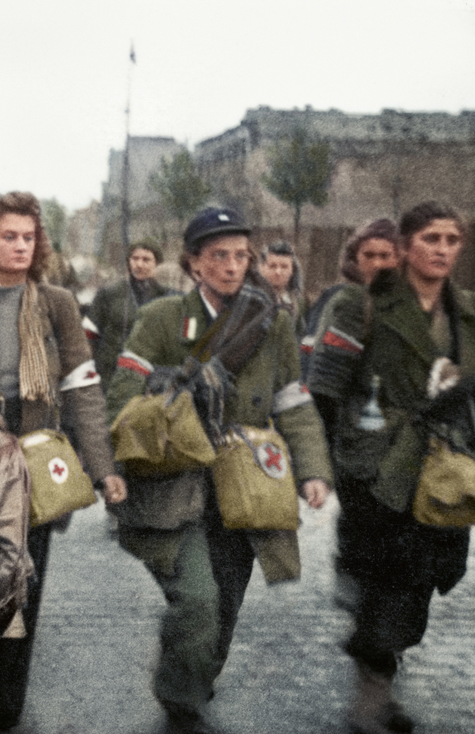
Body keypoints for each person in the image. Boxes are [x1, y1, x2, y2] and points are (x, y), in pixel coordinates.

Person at [104, 206, 332, 734]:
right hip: (173, 482)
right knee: (198, 601)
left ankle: (194, 672)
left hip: (242, 486)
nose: (232, 266)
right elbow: (122, 396)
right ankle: (180, 701)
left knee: (225, 604)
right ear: (194, 263)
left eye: (241, 256)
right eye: (219, 256)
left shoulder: (272, 321)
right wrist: (165, 396)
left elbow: (292, 400)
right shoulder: (163, 318)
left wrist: (313, 471)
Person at [0, 191, 126, 734]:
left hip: (32, 458)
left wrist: (103, 468)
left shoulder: (58, 306)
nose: (20, 246)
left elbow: (82, 389)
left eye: (28, 237)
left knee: (18, 584)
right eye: (8, 236)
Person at [306, 202, 472, 734]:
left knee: (424, 580)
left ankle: (377, 665)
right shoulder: (361, 304)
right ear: (404, 247)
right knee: (387, 578)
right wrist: (328, 465)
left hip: (440, 470)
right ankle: (371, 698)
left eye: (451, 239)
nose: (442, 249)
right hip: (375, 466)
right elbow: (325, 390)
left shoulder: (466, 313)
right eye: (430, 238)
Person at [301, 219, 400, 366]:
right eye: (369, 255)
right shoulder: (334, 297)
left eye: (384, 256)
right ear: (355, 258)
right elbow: (310, 351)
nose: (376, 264)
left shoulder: (407, 301)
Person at [87, 239, 175, 384]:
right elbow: (89, 334)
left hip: (152, 377)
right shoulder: (109, 294)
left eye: (146, 260)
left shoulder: (168, 296)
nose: (139, 264)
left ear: (157, 264)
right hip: (111, 375)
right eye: (135, 258)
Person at [258, 240, 308, 337]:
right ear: (261, 267)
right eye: (272, 266)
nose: (278, 272)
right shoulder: (252, 297)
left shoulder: (298, 302)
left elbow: (301, 335)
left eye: (284, 267)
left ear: (292, 270)